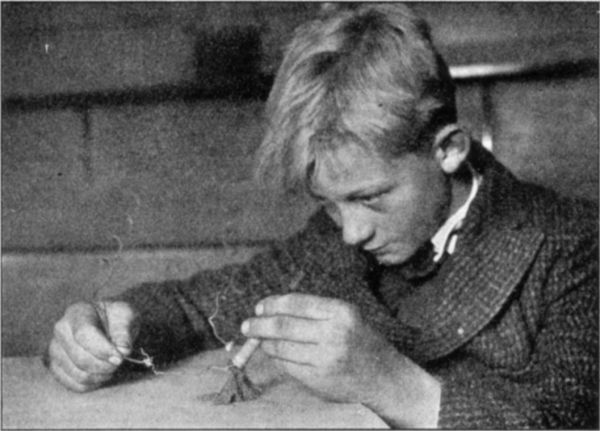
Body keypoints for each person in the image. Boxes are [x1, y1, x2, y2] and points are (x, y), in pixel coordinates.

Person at [45, 3, 598, 428]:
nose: (351, 232)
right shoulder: (330, 242)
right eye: (329, 204)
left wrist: (389, 381)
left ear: (448, 149)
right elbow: (195, 308)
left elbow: (569, 418)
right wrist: (111, 327)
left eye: (370, 198)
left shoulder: (574, 244)